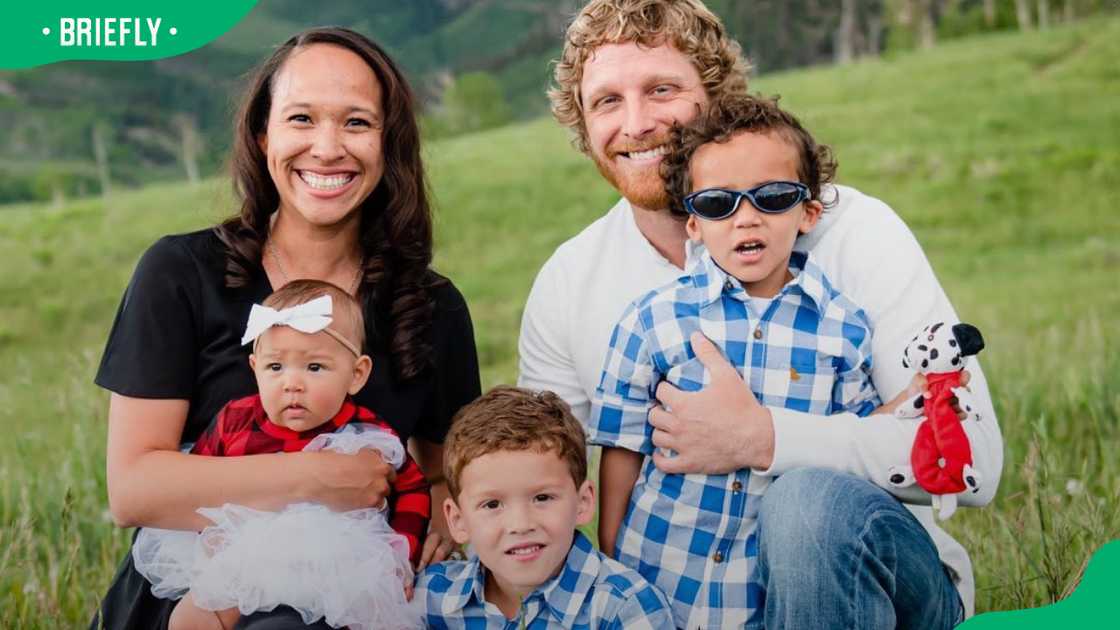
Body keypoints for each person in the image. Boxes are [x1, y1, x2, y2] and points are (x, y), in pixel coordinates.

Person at [518, 0, 1002, 627]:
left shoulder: (851, 231)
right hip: (683, 606)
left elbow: (978, 464)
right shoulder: (569, 282)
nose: (635, 124)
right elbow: (533, 482)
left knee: (804, 501)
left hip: (880, 590)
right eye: (607, 101)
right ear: (584, 127)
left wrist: (766, 438)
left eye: (661, 89)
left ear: (716, 98)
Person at [92, 27, 481, 630]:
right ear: (262, 135)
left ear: (389, 143)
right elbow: (134, 490)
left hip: (347, 595)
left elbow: (445, 470)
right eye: (301, 119)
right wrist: (314, 478)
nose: (327, 149)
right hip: (200, 589)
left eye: (356, 123)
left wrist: (426, 515)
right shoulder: (178, 273)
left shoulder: (431, 305)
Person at [591, 94, 887, 627]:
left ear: (808, 213)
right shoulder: (652, 320)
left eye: (772, 197)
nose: (745, 218)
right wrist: (611, 560)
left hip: (767, 595)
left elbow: (856, 454)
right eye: (717, 203)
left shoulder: (842, 330)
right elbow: (623, 449)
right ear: (694, 225)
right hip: (660, 582)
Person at [132, 280, 428, 630]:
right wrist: (208, 538)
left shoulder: (366, 436)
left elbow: (413, 489)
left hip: (335, 568)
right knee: (189, 620)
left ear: (357, 374)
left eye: (314, 367)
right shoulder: (235, 422)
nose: (292, 383)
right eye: (276, 368)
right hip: (244, 558)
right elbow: (197, 485)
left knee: (374, 617)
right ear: (255, 367)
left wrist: (400, 554)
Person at [414, 386, 675, 629]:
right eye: (492, 504)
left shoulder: (626, 608)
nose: (521, 524)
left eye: (542, 498)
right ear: (458, 521)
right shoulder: (430, 599)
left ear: (583, 502)